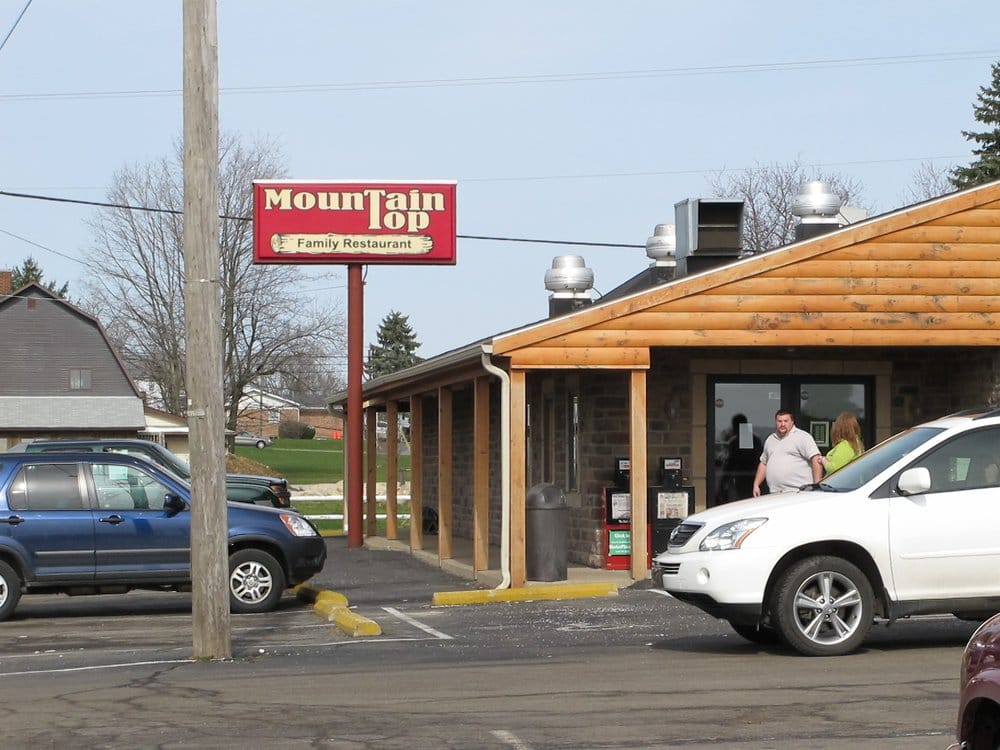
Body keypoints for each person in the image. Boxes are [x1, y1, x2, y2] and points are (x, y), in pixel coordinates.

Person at [752, 409, 822, 495]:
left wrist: (817, 486)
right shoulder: (770, 439)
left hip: (798, 492)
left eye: (786, 421)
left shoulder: (803, 437)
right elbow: (763, 463)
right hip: (774, 493)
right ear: (776, 422)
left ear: (792, 422)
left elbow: (816, 459)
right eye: (779, 421)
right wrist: (756, 484)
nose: (782, 424)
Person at [717, 413, 764, 503]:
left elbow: (731, 462)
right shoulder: (756, 440)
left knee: (742, 502)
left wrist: (724, 482)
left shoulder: (736, 442)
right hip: (751, 476)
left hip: (744, 477)